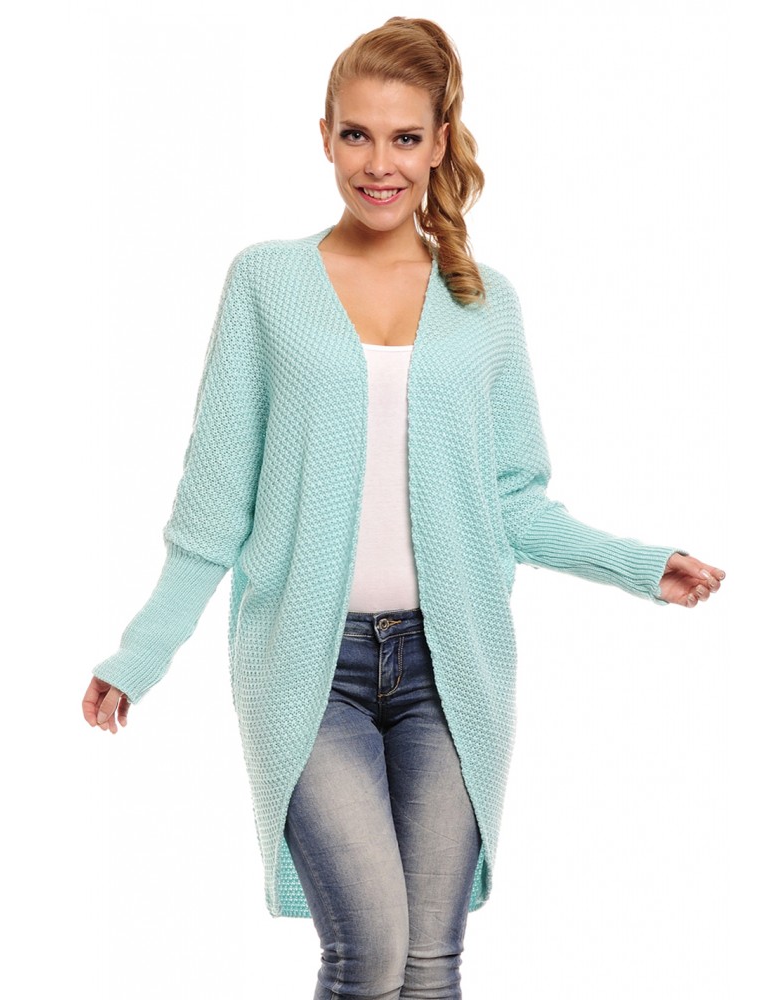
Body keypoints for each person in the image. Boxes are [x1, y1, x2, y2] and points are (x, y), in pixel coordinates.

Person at [82, 16, 725, 1000]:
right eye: (356, 135)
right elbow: (212, 511)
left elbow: (513, 502)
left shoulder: (483, 301)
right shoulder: (266, 283)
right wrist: (140, 654)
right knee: (371, 952)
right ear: (324, 136)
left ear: (438, 143)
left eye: (404, 138)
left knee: (429, 966)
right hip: (309, 667)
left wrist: (639, 565)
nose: (378, 164)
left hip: (449, 666)